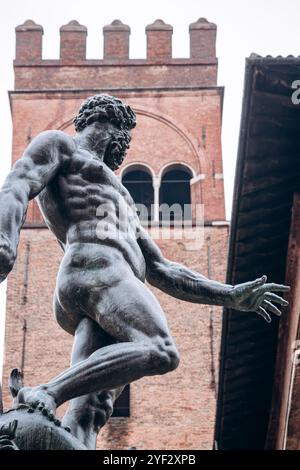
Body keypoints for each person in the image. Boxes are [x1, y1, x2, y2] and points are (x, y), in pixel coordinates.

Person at [0, 94, 289, 449]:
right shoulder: (61, 146)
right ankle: (45, 391)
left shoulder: (118, 194)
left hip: (101, 283)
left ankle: (72, 440)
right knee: (160, 349)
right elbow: (17, 184)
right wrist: (5, 239)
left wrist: (229, 295)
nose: (126, 148)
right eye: (127, 137)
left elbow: (163, 268)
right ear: (115, 126)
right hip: (96, 269)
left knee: (94, 406)